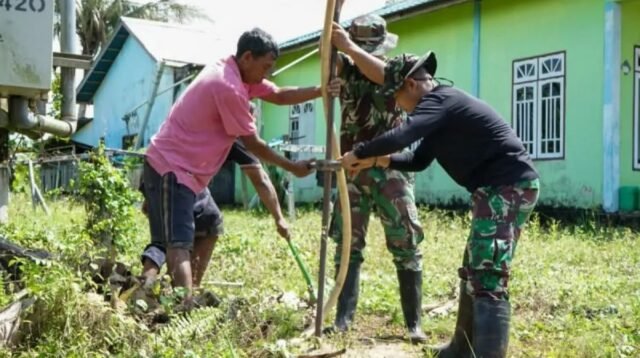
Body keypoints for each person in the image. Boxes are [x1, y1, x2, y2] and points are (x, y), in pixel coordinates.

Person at [333, 23, 540, 357]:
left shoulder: (441, 101)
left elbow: (402, 135)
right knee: (474, 266)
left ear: (411, 85)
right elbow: (417, 159)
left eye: (397, 97)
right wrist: (377, 161)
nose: (398, 106)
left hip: (510, 187)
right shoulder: (441, 110)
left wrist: (359, 152)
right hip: (493, 191)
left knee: (487, 274)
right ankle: (462, 347)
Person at [143, 27, 336, 307]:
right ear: (247, 57)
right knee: (178, 243)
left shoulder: (241, 76)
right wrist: (292, 167)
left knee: (210, 224)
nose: (267, 74)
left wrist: (321, 91)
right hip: (171, 167)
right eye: (266, 67)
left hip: (191, 175)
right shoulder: (228, 86)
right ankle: (182, 309)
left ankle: (188, 294)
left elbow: (280, 95)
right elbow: (254, 144)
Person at [326, 13, 426, 342]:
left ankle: (414, 325)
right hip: (352, 171)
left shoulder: (395, 69)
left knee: (406, 241)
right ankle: (343, 319)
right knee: (348, 245)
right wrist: (332, 33)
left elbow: (380, 75)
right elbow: (323, 56)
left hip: (389, 170)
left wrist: (349, 47)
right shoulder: (344, 70)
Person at [140, 139, 290, 290]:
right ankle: (180, 295)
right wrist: (279, 218)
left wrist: (149, 195)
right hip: (177, 173)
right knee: (178, 236)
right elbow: (261, 179)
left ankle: (150, 290)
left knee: (195, 225)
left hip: (155, 165)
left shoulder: (197, 119)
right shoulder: (231, 132)